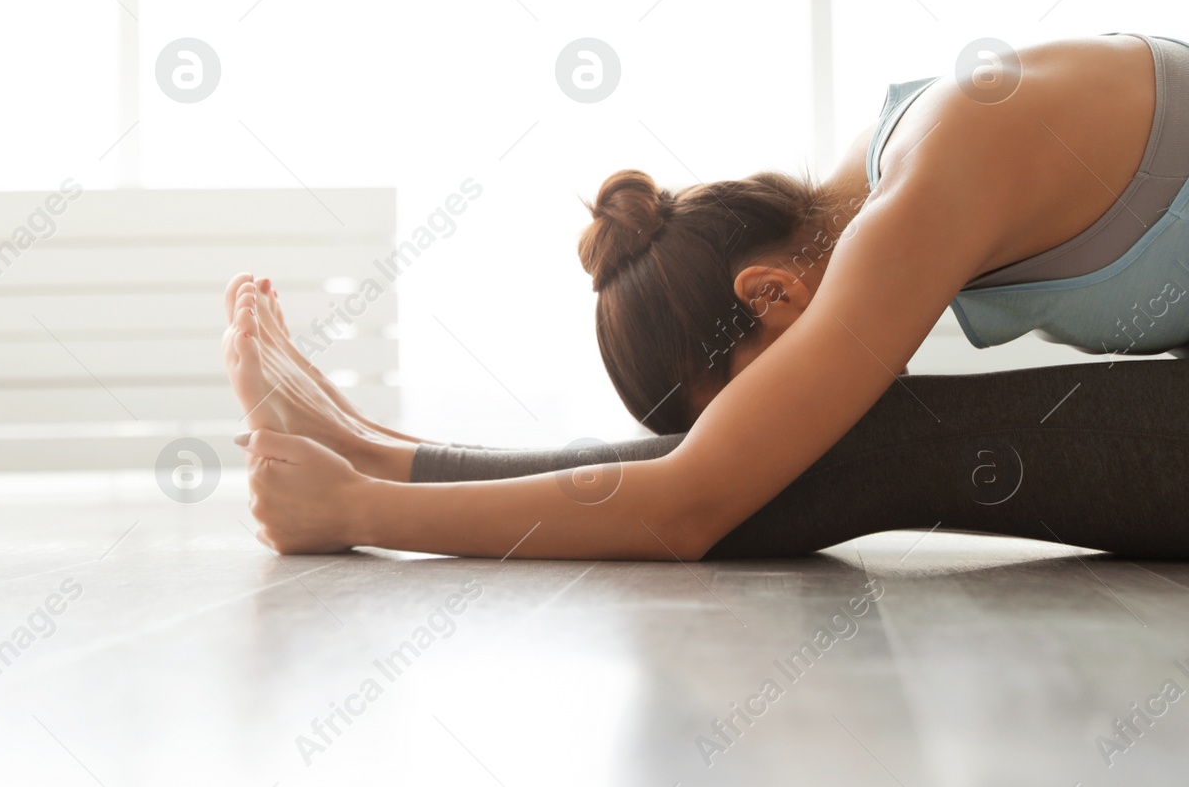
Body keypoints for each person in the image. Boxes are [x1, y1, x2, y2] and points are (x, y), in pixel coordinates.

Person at [227, 33, 1189, 560]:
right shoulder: (879, 176)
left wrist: (357, 514)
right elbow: (712, 470)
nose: (773, 413)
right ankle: (388, 453)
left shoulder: (929, 183)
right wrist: (371, 468)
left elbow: (692, 503)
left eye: (745, 392)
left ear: (768, 291)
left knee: (879, 438)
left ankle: (388, 473)